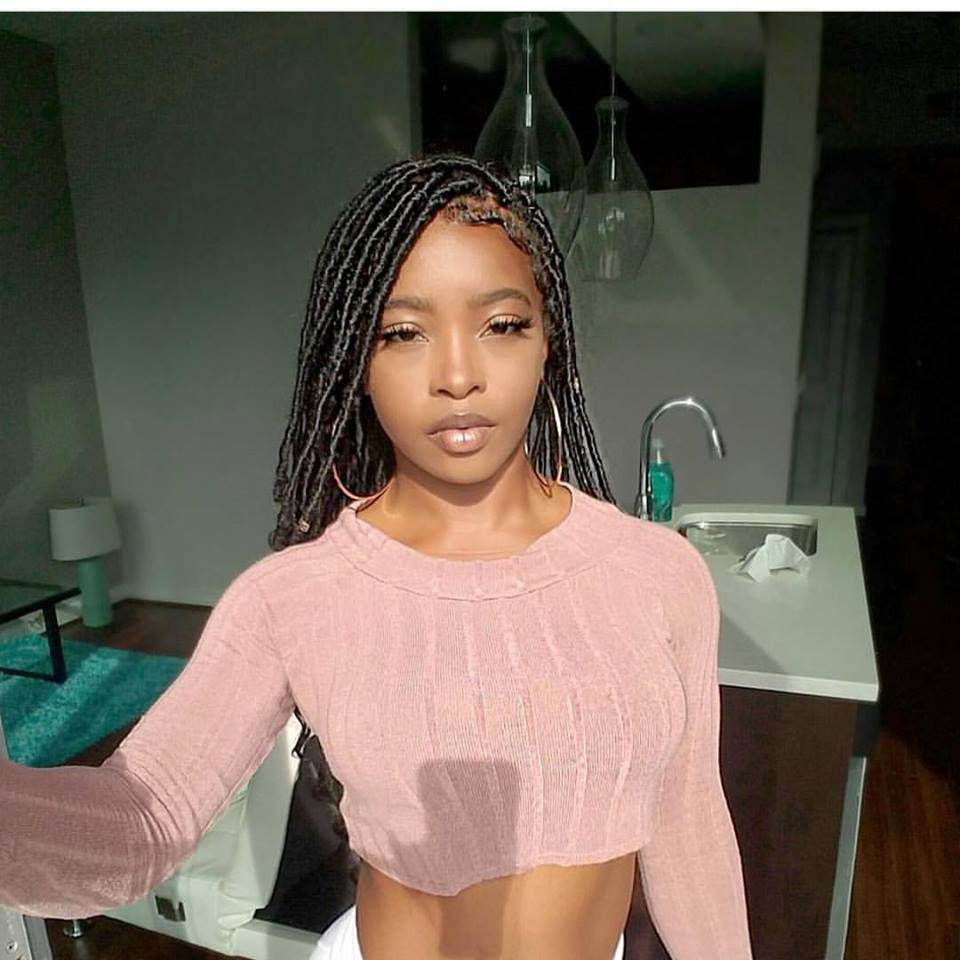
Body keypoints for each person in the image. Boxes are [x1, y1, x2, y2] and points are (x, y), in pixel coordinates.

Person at [0, 152, 754, 960]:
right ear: (356, 363)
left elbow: (688, 826)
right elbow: (140, 824)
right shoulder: (295, 597)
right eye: (402, 333)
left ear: (550, 342)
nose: (457, 375)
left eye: (501, 324)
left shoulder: (658, 574)